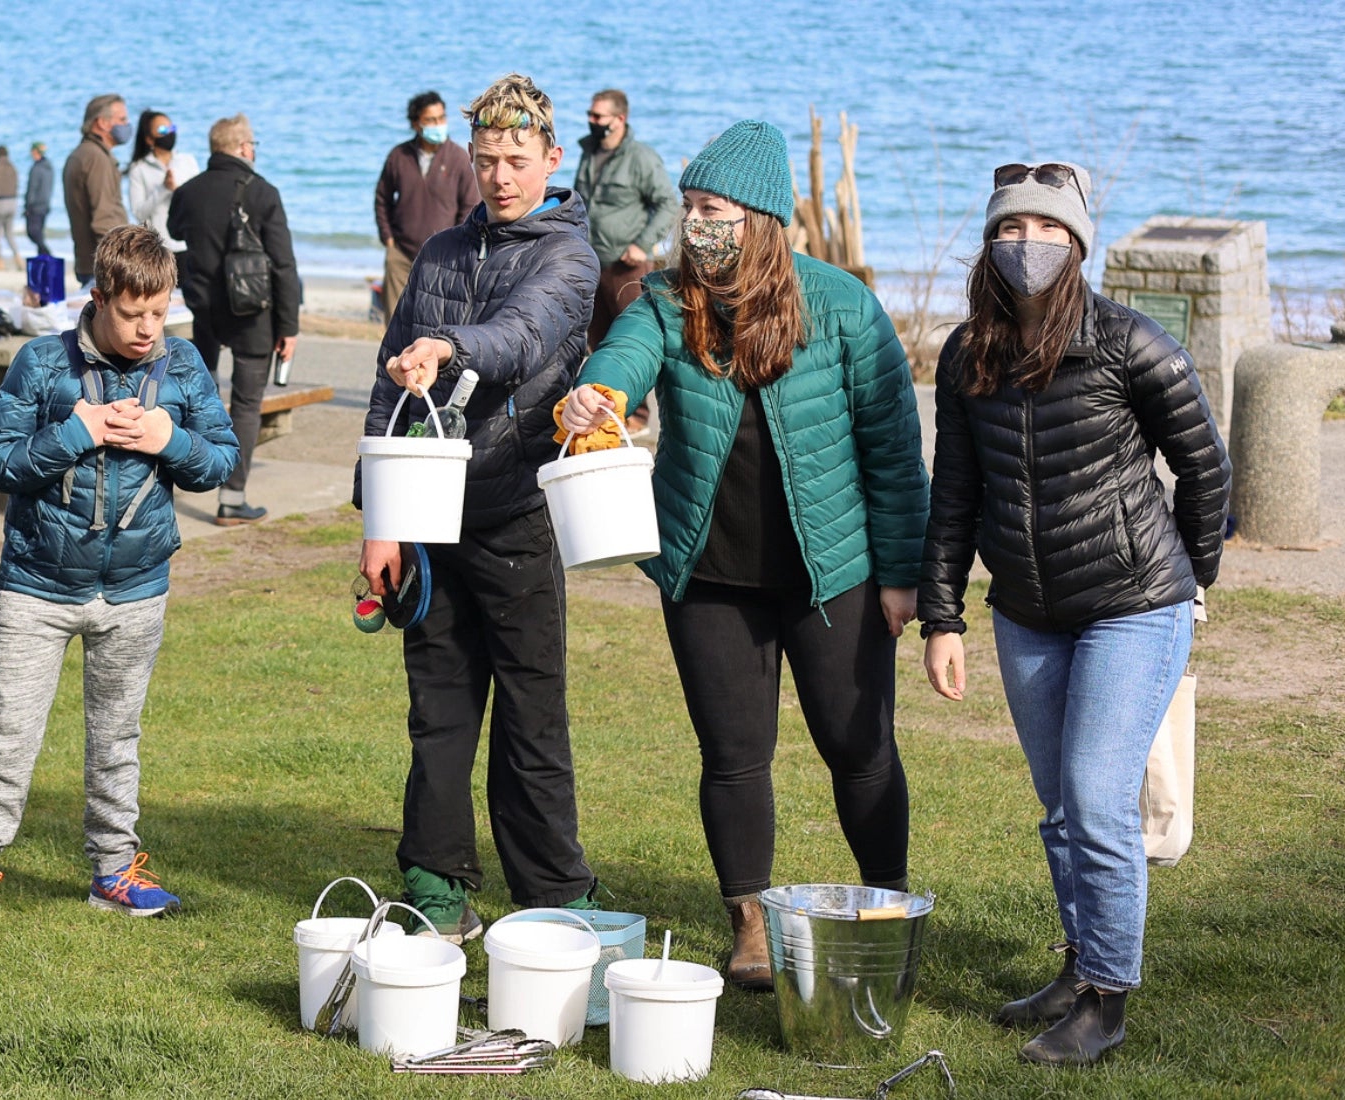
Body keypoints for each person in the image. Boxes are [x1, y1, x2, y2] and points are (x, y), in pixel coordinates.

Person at [561, 120, 928, 990]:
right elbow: (623, 355)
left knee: (859, 747)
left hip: (834, 571)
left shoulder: (843, 305)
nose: (693, 224)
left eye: (711, 210)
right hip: (710, 573)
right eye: (688, 207)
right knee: (732, 755)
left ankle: (888, 903)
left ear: (759, 219)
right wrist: (597, 393)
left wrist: (902, 574)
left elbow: (894, 452)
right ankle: (750, 924)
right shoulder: (666, 302)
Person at [919, 161, 1229, 1067]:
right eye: (1013, 229)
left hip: (1134, 605)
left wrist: (1191, 579)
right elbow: (955, 496)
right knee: (1061, 808)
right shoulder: (966, 356)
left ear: (1079, 245)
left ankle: (1106, 1001)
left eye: (1051, 230)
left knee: (1097, 800)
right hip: (1026, 610)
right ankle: (1077, 966)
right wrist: (942, 617)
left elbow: (1206, 469)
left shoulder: (1132, 344)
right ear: (990, 244)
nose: (1031, 245)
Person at [0, 225, 239, 934]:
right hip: (36, 588)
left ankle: (114, 871)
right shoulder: (42, 361)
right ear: (98, 299)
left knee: (116, 739)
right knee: (8, 736)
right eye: (133, 314)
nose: (148, 329)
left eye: (159, 313)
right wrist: (78, 431)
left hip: (137, 590)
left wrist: (169, 440)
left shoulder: (185, 364)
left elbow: (221, 461)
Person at [358, 75, 601, 941]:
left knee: (532, 713)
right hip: (426, 520)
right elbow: (385, 387)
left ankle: (553, 891)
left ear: (552, 159)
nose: (501, 177)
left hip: (517, 512)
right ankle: (435, 881)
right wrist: (378, 519)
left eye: (517, 160)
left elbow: (521, 339)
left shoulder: (569, 258)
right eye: (488, 159)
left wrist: (447, 344)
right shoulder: (437, 254)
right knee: (439, 711)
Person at [168, 113, 299, 526]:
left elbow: (175, 230)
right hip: (253, 313)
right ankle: (232, 500)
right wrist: (289, 326)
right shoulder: (263, 193)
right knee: (245, 405)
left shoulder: (188, 192)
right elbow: (283, 265)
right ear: (243, 148)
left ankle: (185, 477)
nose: (254, 150)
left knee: (199, 398)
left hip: (204, 309)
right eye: (253, 144)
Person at [572, 90, 677, 351]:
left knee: (634, 342)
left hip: (626, 267)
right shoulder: (589, 152)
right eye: (590, 114)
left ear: (619, 119)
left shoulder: (641, 157)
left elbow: (668, 204)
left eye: (598, 116)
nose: (591, 121)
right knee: (598, 344)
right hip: (591, 265)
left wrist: (642, 245)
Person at [372, 90, 479, 325]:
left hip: (442, 256)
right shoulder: (399, 156)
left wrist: (455, 245)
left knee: (434, 323)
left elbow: (469, 206)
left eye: (441, 118)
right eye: (431, 120)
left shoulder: (459, 158)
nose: (438, 124)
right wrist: (388, 239)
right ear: (416, 124)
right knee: (395, 324)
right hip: (400, 255)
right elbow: (382, 198)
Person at [64, 94, 130, 289]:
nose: (127, 125)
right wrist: (119, 266)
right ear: (102, 123)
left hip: (88, 262)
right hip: (103, 267)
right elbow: (104, 220)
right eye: (122, 120)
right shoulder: (96, 158)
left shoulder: (82, 153)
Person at [124, 109, 198, 252]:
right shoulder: (139, 169)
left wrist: (176, 190)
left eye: (172, 128)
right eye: (163, 130)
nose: (169, 133)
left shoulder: (187, 161)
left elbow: (197, 202)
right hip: (157, 248)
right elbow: (139, 213)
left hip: (187, 244)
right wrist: (163, 189)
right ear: (149, 139)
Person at [24, 141, 54, 257]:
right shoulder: (49, 168)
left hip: (35, 207)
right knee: (39, 233)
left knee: (32, 233)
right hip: (45, 205)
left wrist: (28, 205)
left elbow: (32, 188)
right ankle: (42, 257)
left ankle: (47, 254)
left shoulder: (36, 168)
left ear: (35, 152)